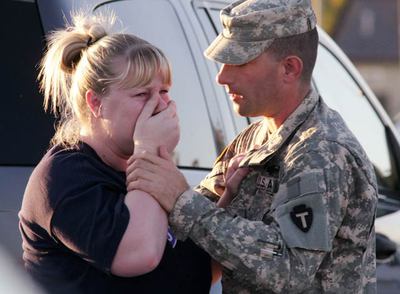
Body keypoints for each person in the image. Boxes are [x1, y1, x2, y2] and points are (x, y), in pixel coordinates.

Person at [126, 0, 378, 293]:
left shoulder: (322, 151)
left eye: (239, 62)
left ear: (289, 68)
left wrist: (183, 201)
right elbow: (185, 233)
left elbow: (288, 268)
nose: (222, 77)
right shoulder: (254, 139)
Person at [18, 11, 211, 294]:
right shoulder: (64, 177)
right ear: (96, 103)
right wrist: (150, 151)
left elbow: (195, 273)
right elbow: (139, 254)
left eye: (165, 91)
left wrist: (224, 197)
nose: (159, 105)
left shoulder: (143, 170)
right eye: (142, 95)